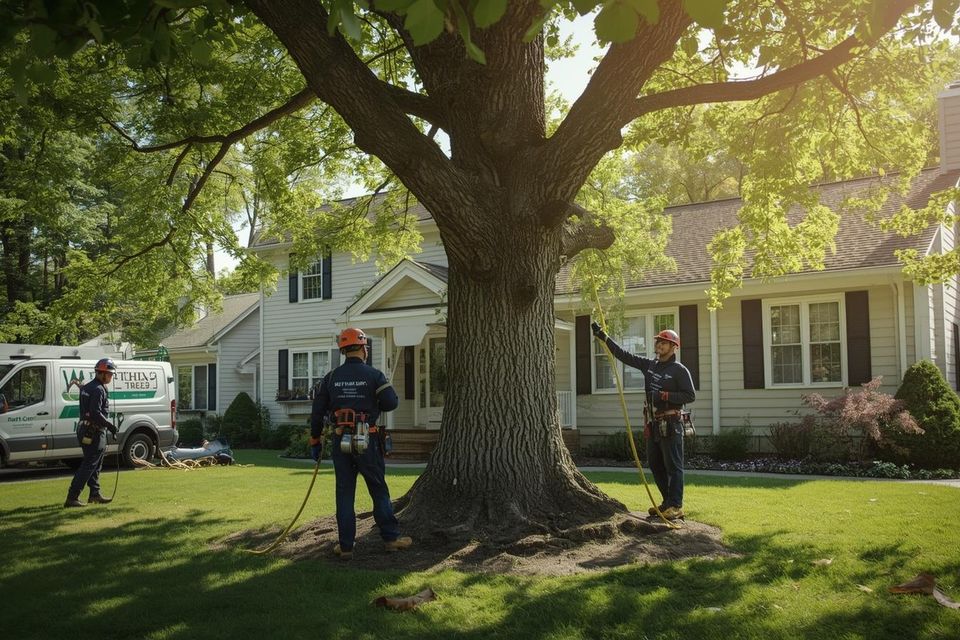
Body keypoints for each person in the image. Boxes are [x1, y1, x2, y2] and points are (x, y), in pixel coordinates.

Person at [310, 327, 410, 559]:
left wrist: (315, 440)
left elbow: (317, 413)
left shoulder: (331, 378)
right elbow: (391, 403)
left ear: (343, 350)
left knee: (345, 492)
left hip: (340, 439)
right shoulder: (374, 376)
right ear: (364, 348)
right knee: (378, 489)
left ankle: (346, 546)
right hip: (367, 438)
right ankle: (391, 538)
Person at [591, 323, 695, 520]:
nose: (659, 345)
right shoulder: (650, 366)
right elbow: (624, 355)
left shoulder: (679, 370)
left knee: (673, 466)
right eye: (658, 342)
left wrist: (664, 395)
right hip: (654, 423)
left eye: (664, 343)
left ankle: (676, 505)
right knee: (656, 464)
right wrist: (603, 337)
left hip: (671, 423)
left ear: (674, 347)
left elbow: (690, 395)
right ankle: (667, 503)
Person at [64, 358, 119, 508]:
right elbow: (95, 413)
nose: (111, 377)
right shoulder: (98, 389)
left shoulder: (87, 387)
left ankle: (94, 494)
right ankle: (72, 497)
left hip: (85, 429)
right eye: (109, 374)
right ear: (102, 373)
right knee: (89, 465)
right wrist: (110, 426)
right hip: (93, 431)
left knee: (95, 464)